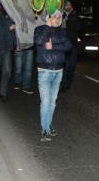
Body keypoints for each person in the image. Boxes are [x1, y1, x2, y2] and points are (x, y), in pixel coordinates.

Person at [34, 9, 72, 142]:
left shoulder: (62, 33)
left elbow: (68, 46)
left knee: (52, 102)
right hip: (45, 70)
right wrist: (47, 26)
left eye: (58, 17)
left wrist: (53, 46)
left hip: (58, 71)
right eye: (54, 17)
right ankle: (44, 129)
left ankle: (48, 125)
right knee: (45, 101)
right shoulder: (40, 29)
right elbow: (39, 41)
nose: (56, 19)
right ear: (49, 18)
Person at [60, 0, 79, 92]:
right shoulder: (60, 15)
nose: (67, 6)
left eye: (69, 5)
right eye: (66, 5)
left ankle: (68, 83)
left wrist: (67, 22)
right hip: (63, 45)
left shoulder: (74, 16)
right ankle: (63, 85)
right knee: (65, 65)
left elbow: (77, 28)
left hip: (72, 45)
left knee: (72, 66)